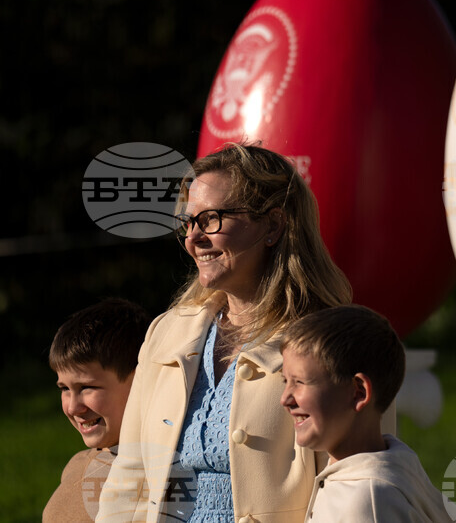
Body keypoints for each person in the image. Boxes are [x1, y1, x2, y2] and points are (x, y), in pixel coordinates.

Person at [97, 143, 352, 523]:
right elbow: (130, 479)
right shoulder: (167, 334)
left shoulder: (332, 341)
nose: (193, 238)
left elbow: (350, 487)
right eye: (188, 222)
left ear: (273, 225)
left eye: (211, 219)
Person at [280, 305, 451, 523]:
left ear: (358, 392)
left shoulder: (367, 504)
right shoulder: (395, 468)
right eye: (286, 381)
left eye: (300, 382)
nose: (284, 399)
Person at [44, 298, 150, 523]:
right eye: (64, 388)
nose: (73, 407)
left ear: (139, 380)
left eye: (87, 387)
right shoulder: (78, 464)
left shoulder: (158, 474)